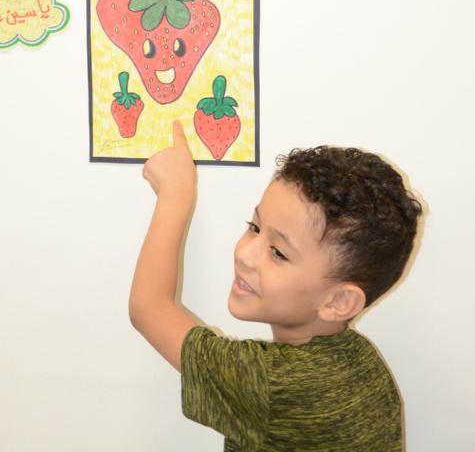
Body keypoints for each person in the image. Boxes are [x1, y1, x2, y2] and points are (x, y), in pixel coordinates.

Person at [129, 123, 422, 451]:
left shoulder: (274, 383)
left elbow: (149, 308)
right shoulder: (363, 362)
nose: (245, 254)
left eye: (278, 253)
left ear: (339, 302)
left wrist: (175, 193)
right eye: (254, 227)